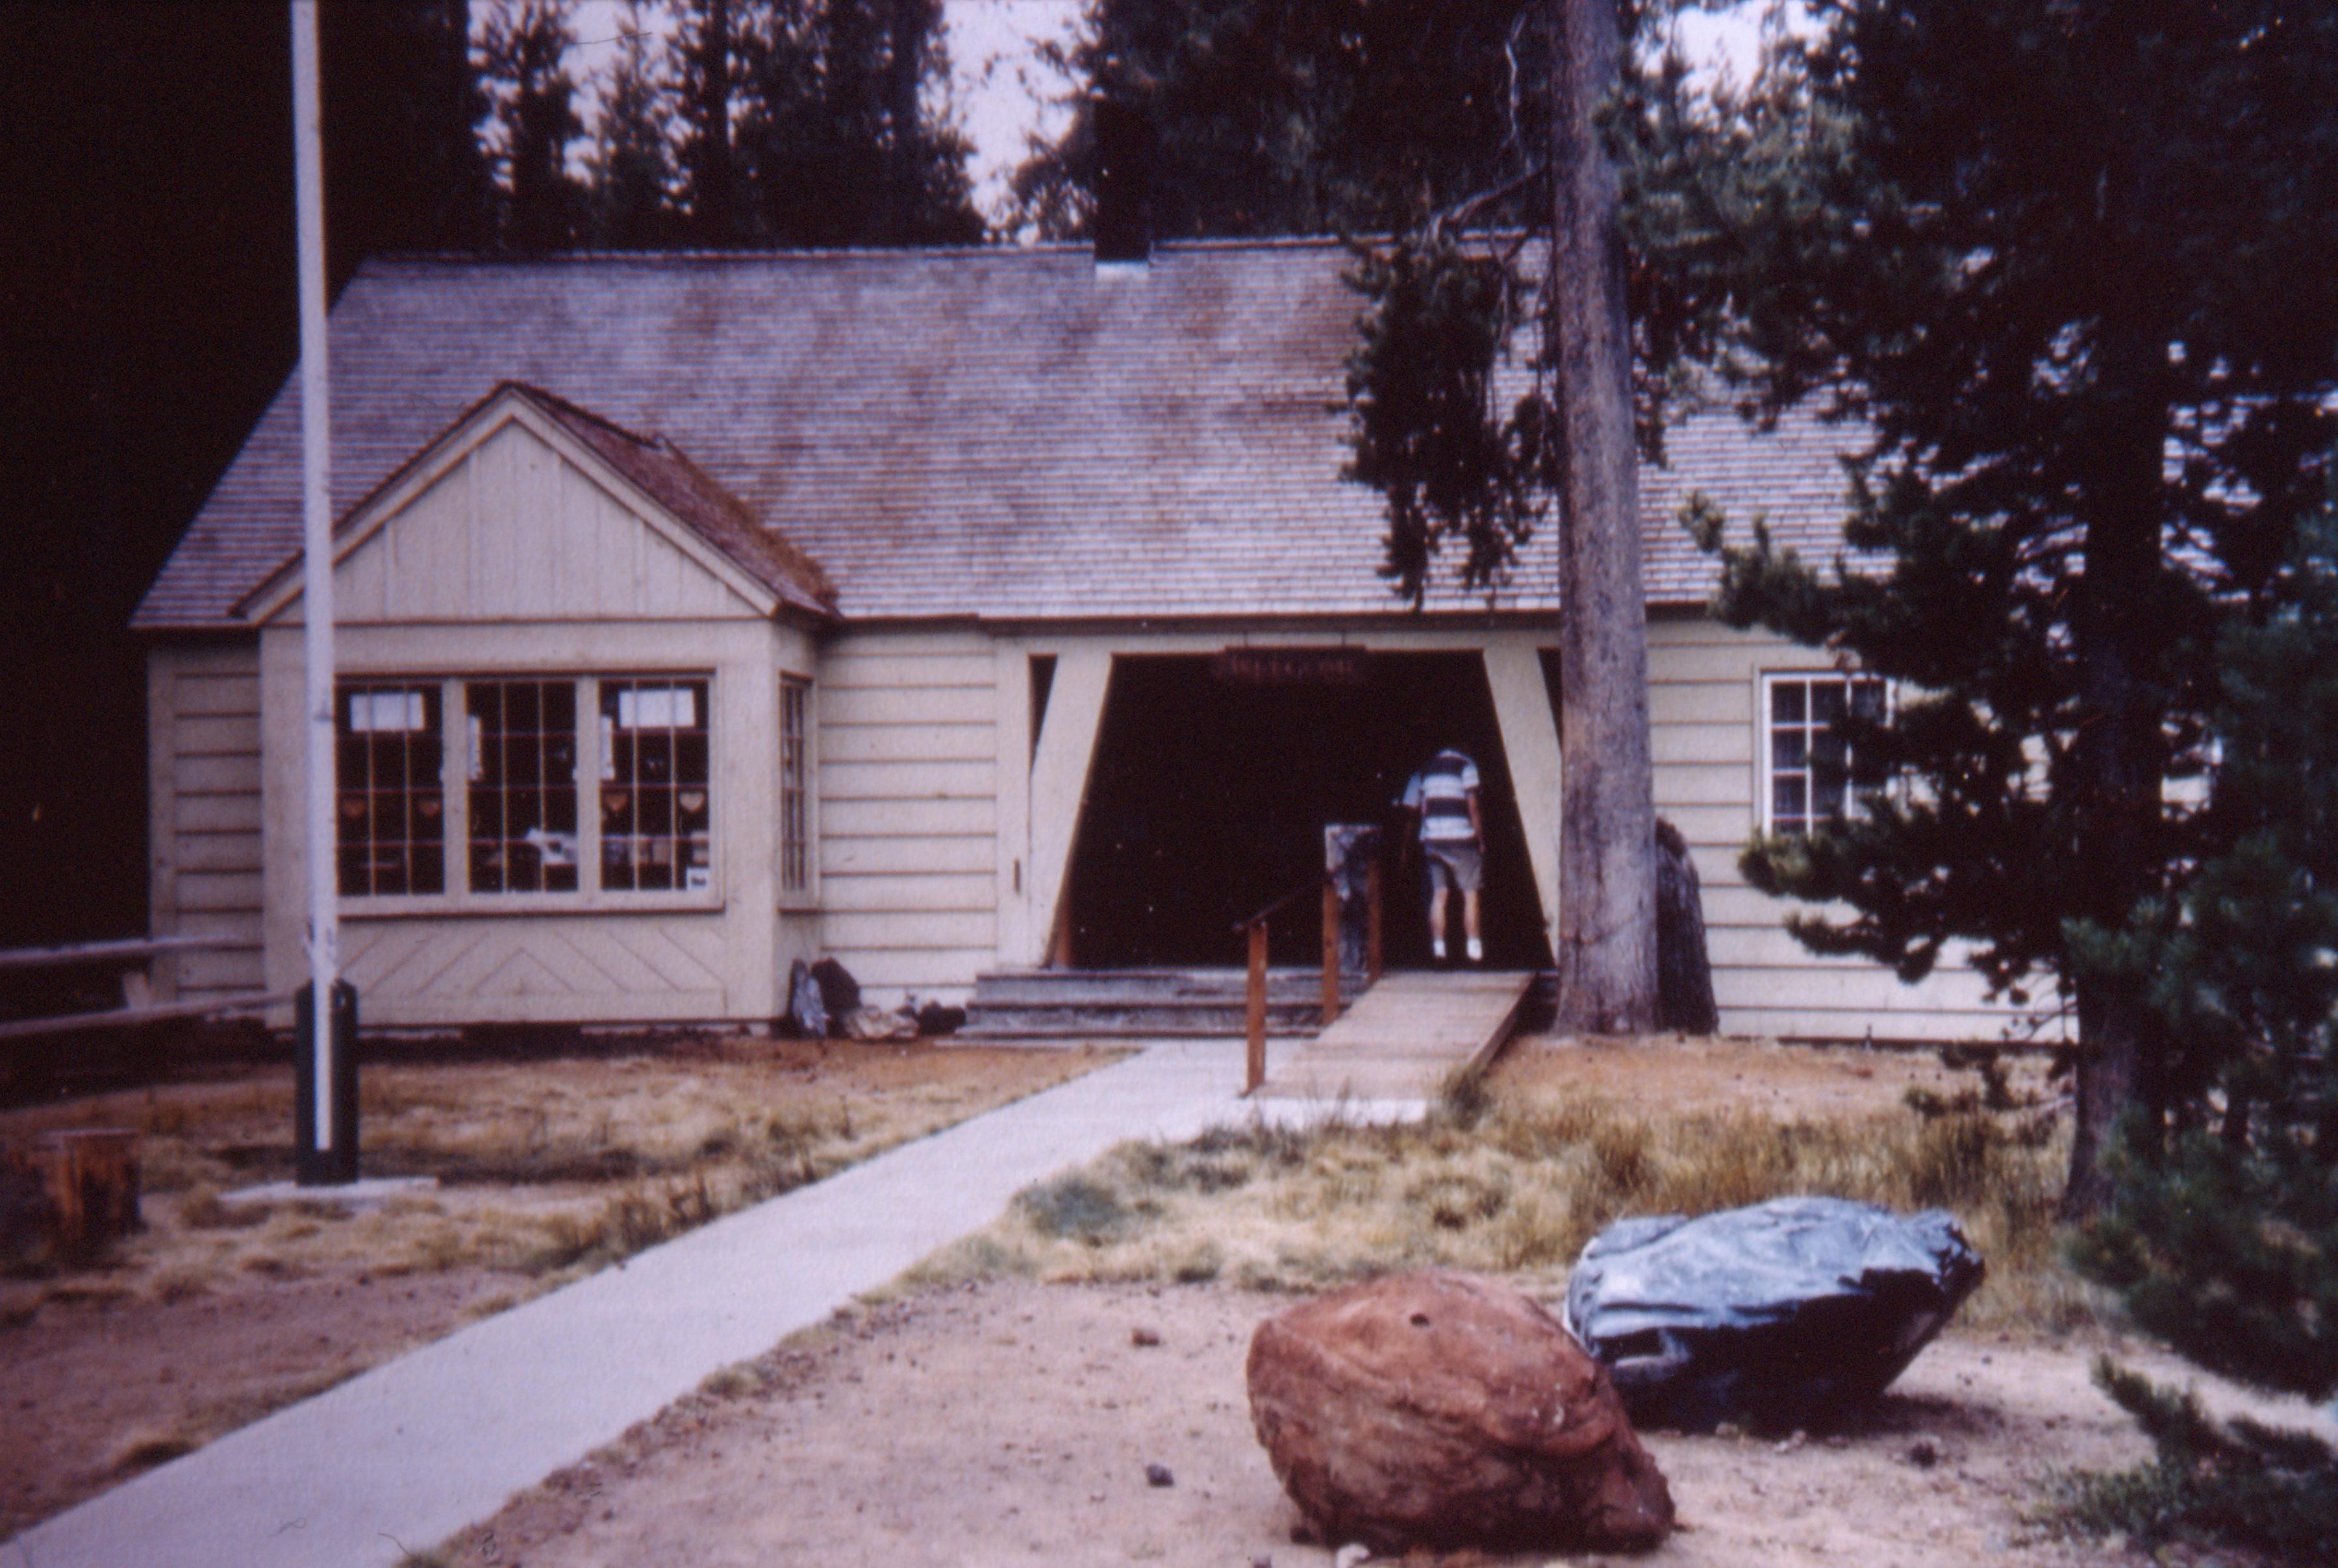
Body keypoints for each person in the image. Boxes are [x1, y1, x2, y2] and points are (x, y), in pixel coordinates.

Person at [1400, 747, 1484, 963]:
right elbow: (1473, 807)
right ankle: (1473, 948)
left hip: (1434, 839)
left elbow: (1424, 809)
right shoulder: (1466, 766)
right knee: (1470, 893)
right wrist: (1480, 840)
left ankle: (1439, 947)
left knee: (1439, 894)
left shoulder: (1427, 770)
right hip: (1461, 839)